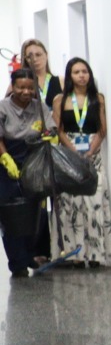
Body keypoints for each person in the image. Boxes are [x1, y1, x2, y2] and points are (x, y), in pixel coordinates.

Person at [50, 57, 111, 266]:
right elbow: (58, 130)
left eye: (84, 71)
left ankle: (96, 255)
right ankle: (74, 255)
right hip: (68, 157)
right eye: (77, 72)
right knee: (70, 204)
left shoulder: (98, 99)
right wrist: (73, 152)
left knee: (94, 202)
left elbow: (102, 130)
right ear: (70, 75)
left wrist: (89, 152)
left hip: (92, 155)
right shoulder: (60, 99)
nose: (81, 75)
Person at [0, 70, 55, 276]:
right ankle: (17, 263)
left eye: (30, 88)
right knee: (12, 215)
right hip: (7, 163)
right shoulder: (3, 108)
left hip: (35, 162)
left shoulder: (39, 107)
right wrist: (6, 159)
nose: (25, 91)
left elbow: (51, 128)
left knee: (36, 213)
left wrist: (50, 135)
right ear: (12, 86)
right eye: (20, 87)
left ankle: (31, 254)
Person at [19, 39, 61, 110]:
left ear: (46, 55)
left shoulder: (61, 81)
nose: (35, 59)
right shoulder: (19, 83)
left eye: (38, 55)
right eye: (30, 57)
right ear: (25, 60)